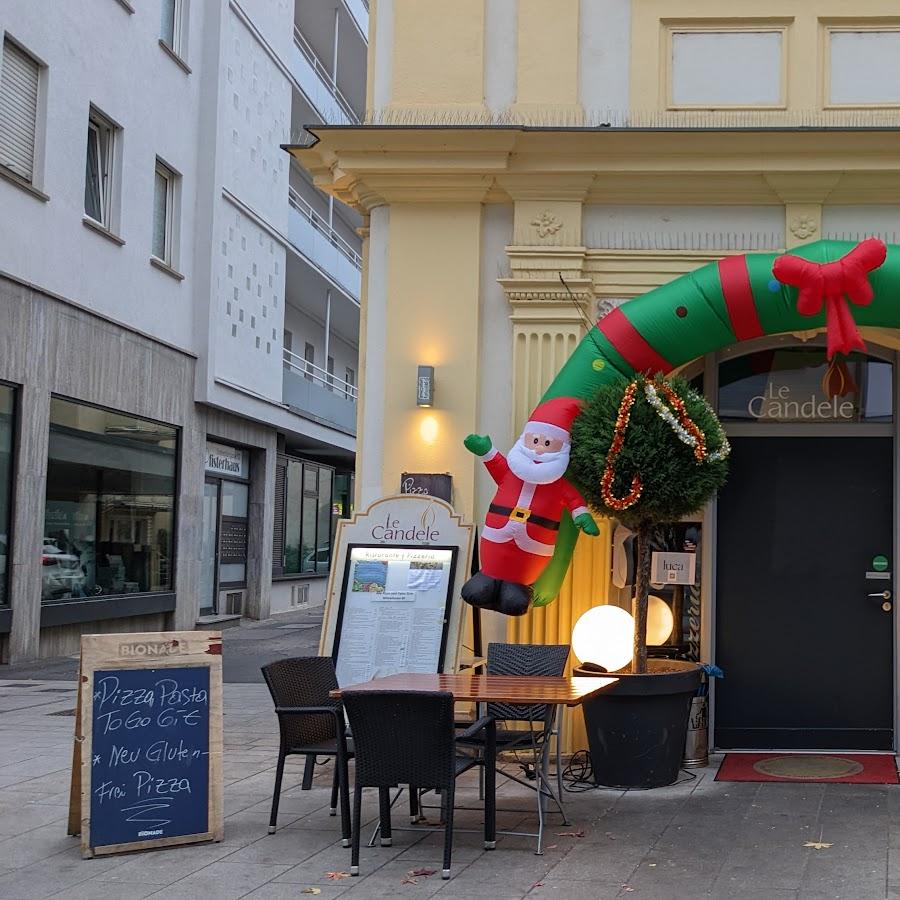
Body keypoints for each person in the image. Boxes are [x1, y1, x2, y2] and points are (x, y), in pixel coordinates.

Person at [462, 396, 599, 616]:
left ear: (563, 449)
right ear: (525, 439)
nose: (538, 450)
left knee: (514, 600)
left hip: (532, 549)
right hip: (497, 538)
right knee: (477, 590)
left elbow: (574, 500)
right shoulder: (511, 473)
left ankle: (515, 589)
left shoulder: (559, 485)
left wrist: (582, 515)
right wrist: (486, 450)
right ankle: (486, 578)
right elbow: (497, 464)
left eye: (547, 444)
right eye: (535, 441)